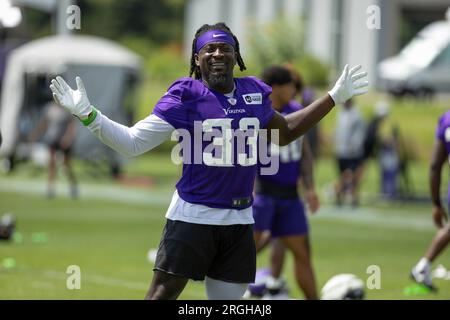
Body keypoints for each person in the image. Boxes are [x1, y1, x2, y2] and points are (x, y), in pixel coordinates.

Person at [49, 22, 368, 300]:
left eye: (225, 48)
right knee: (161, 294)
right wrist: (89, 115)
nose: (217, 54)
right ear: (197, 59)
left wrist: (333, 97)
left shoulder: (252, 94)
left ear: (236, 56)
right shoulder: (187, 95)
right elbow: (133, 143)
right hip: (193, 217)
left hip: (239, 220)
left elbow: (285, 132)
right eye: (209, 49)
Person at [252, 65, 320, 300]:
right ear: (277, 88)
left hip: (290, 196)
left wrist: (310, 188)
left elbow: (305, 153)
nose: (294, 90)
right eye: (290, 86)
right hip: (262, 192)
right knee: (242, 253)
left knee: (302, 255)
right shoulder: (258, 113)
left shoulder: (296, 109)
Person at [410, 110, 450, 291]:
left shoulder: (447, 119)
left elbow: (435, 165)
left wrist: (435, 203)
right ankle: (422, 267)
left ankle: (423, 266)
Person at [29, 101, 78, 199]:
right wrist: (36, 133)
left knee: (66, 166)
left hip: (63, 140)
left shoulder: (66, 109)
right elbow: (44, 123)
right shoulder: (50, 108)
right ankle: (50, 189)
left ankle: (73, 186)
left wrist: (68, 138)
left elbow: (71, 125)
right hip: (53, 139)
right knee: (51, 164)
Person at [334, 98, 366, 207]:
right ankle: (341, 195)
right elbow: (338, 131)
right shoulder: (341, 114)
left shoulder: (356, 115)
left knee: (351, 176)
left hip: (351, 153)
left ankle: (351, 197)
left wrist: (354, 147)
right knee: (345, 176)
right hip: (341, 151)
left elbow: (359, 134)